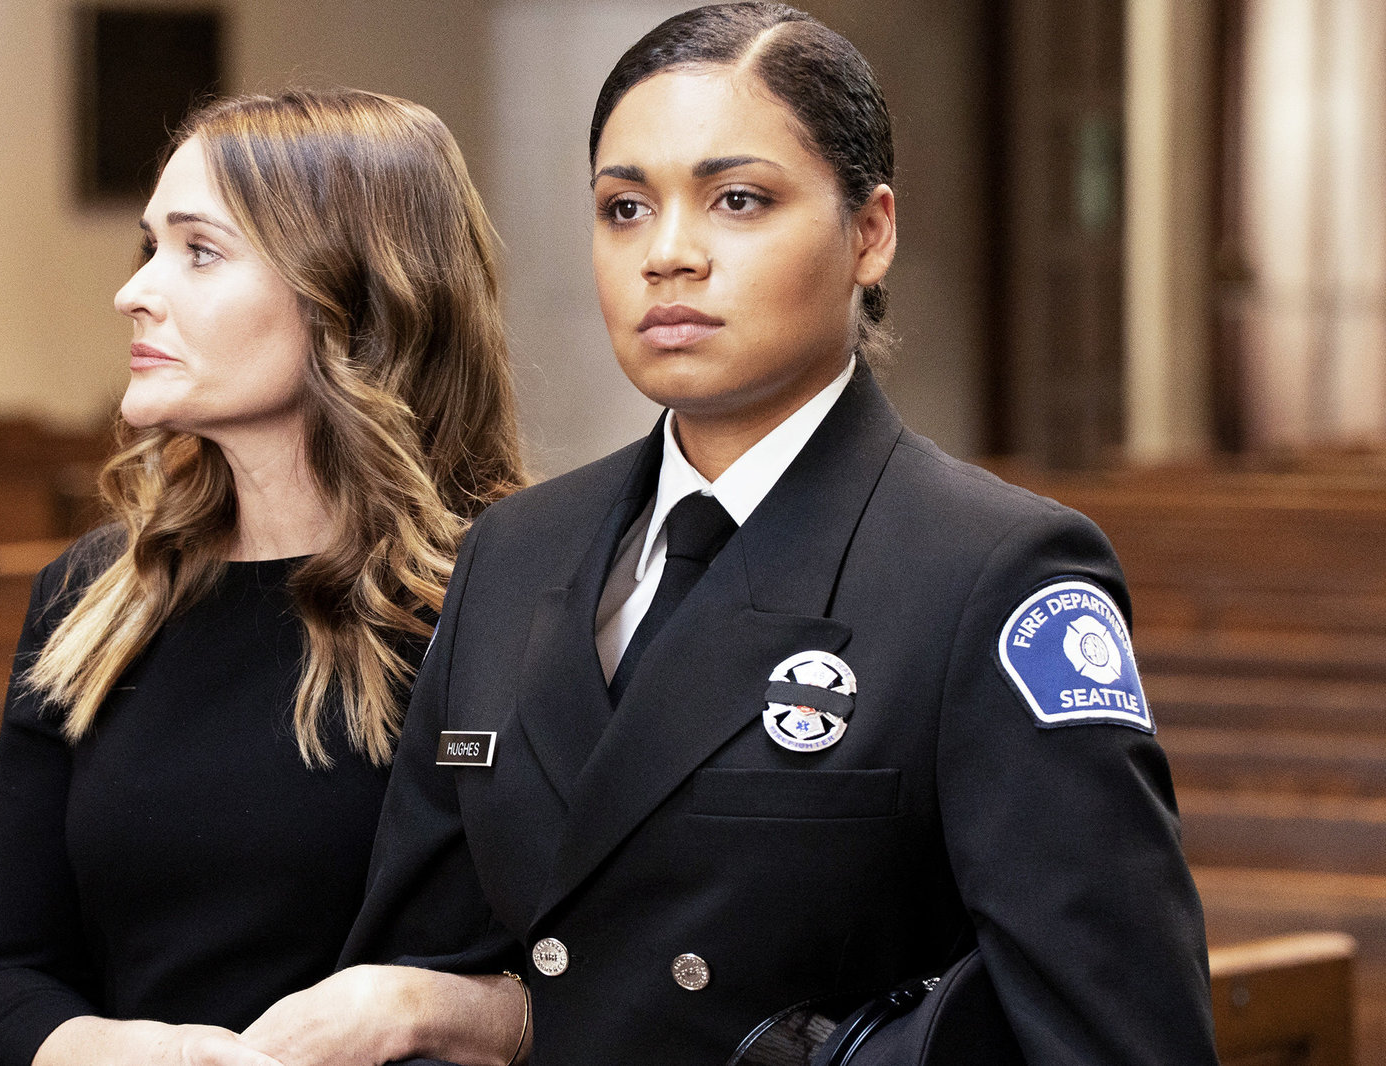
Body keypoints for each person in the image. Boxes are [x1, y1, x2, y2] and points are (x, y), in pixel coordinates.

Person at [339, 5, 1220, 1065]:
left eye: (738, 200)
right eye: (624, 208)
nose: (667, 255)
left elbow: (1116, 1036)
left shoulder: (991, 574)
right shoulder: (515, 552)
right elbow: (422, 970)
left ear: (870, 233)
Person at [0, 88, 529, 1066]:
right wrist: (149, 1057)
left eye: (200, 251)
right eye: (150, 246)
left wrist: (419, 1011)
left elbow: (631, 984)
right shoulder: (92, 597)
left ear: (352, 293)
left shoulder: (518, 595)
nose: (134, 291)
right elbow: (5, 977)